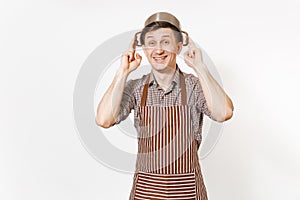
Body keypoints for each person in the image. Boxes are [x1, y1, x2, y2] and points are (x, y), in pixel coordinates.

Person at [96, 12, 234, 200]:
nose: (158, 50)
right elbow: (104, 119)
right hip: (146, 191)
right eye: (151, 43)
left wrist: (200, 67)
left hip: (187, 192)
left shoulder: (194, 85)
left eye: (166, 42)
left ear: (178, 47)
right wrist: (123, 71)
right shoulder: (135, 88)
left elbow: (223, 113)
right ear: (144, 49)